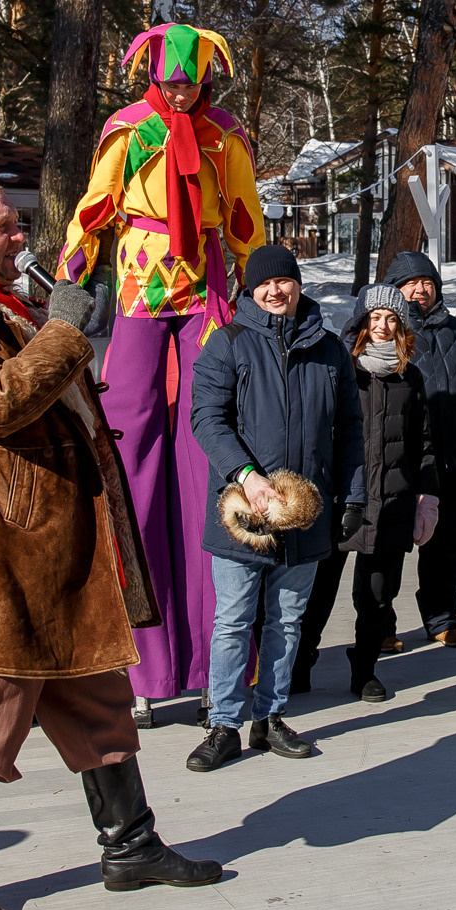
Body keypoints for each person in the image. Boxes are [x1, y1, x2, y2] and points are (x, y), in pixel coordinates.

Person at [0, 178, 217, 910]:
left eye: (19, 225)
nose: (21, 238)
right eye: (4, 227)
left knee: (99, 699)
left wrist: (58, 330)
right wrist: (65, 331)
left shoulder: (7, 312)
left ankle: (130, 846)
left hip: (51, 548)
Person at [56, 23, 265, 729]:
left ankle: (216, 665)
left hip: (204, 290)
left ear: (205, 78)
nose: (179, 92)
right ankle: (140, 667)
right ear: (151, 74)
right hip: (141, 288)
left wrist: (259, 289)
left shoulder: (224, 136)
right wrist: (70, 279)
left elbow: (244, 218)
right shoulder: (127, 129)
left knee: (208, 454)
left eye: (190, 82)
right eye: (170, 81)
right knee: (130, 455)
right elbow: (93, 210)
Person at [184, 242, 364, 771]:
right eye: (264, 283)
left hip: (304, 513)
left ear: (298, 284)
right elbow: (207, 418)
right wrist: (247, 476)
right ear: (250, 288)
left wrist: (353, 496)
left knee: (286, 622)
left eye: (283, 280)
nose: (275, 290)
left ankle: (270, 718)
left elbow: (351, 429)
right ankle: (223, 725)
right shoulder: (228, 344)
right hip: (242, 513)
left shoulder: (330, 350)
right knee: (233, 621)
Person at [332, 285, 440, 701]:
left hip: (394, 497)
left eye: (391, 319)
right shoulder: (343, 369)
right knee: (318, 590)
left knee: (377, 594)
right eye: (375, 317)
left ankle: (365, 669)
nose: (382, 326)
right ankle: (299, 664)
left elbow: (423, 442)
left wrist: (427, 494)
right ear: (362, 321)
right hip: (343, 497)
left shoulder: (409, 376)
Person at [384, 251, 456, 648]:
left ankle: (442, 618)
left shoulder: (455, 331)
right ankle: (380, 627)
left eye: (427, 282)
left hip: (450, 459)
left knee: (446, 545)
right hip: (399, 460)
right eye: (411, 282)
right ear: (395, 288)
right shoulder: (386, 328)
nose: (421, 289)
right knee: (388, 546)